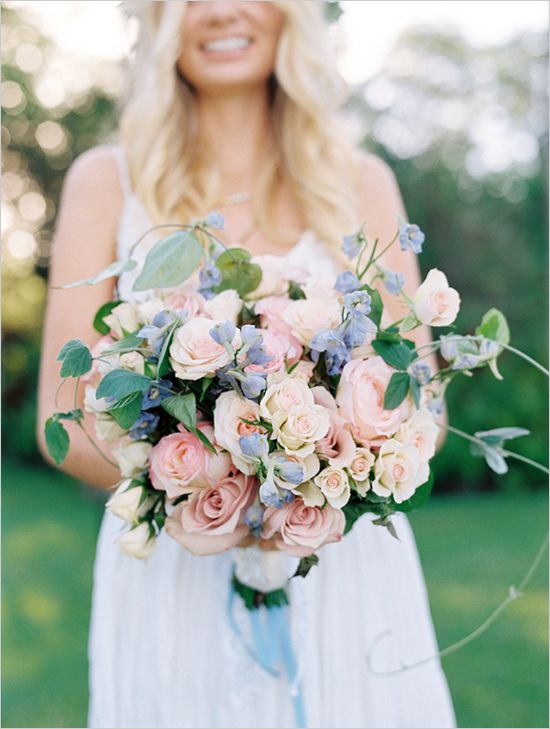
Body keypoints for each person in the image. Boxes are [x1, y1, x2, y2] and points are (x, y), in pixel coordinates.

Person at [37, 2, 456, 727]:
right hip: (173, 567)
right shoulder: (106, 181)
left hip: (341, 569)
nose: (222, 9)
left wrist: (322, 486)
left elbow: (423, 402)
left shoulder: (362, 182)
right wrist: (210, 489)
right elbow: (62, 414)